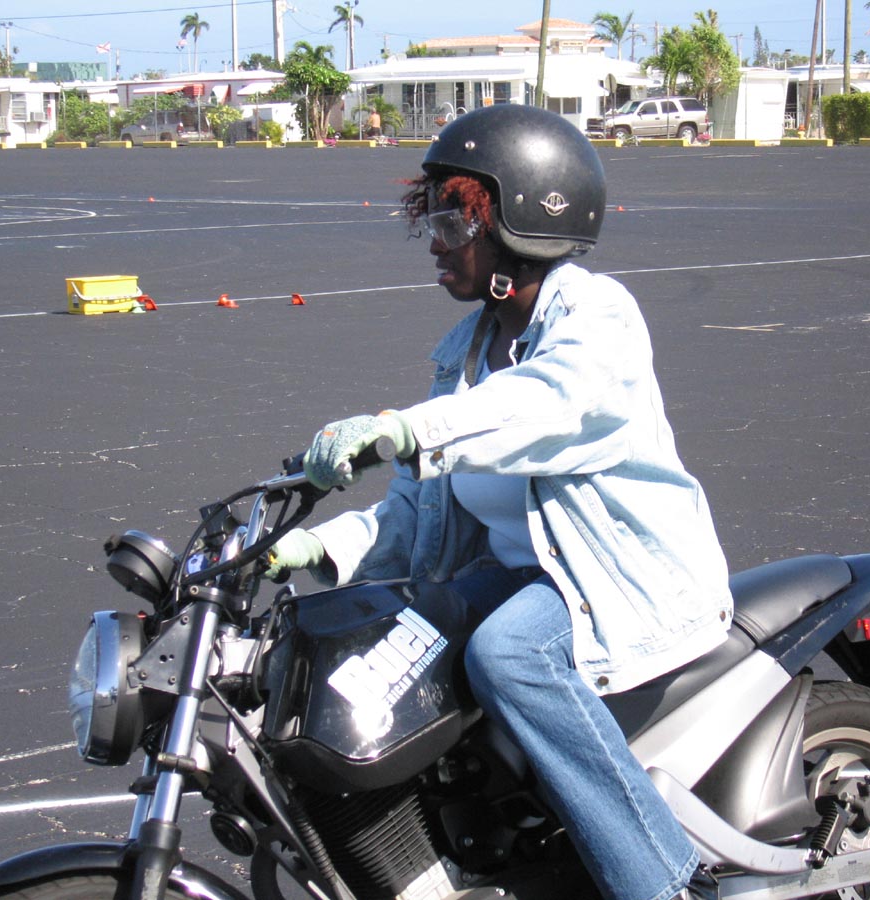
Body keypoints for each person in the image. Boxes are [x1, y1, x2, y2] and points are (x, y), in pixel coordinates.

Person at [264, 104, 732, 900]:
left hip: (618, 582)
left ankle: (664, 881)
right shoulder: (467, 354)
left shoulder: (597, 319)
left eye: (453, 223)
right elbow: (417, 512)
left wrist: (402, 428)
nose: (435, 244)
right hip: (527, 575)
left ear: (522, 223)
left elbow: (547, 404)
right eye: (433, 223)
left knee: (506, 653)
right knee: (387, 635)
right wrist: (315, 548)